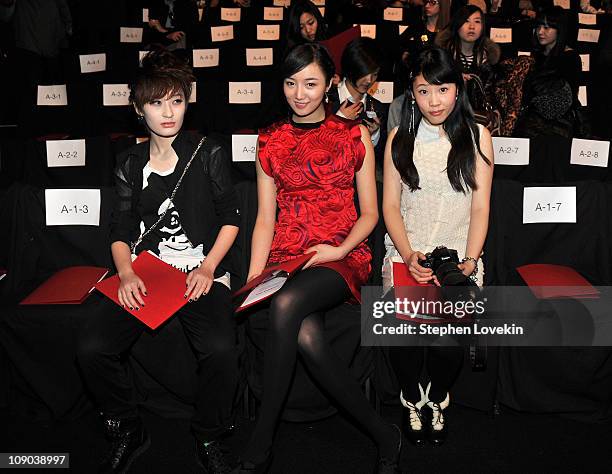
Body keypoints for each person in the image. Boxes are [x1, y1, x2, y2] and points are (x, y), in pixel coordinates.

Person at [235, 43, 402, 473]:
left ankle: (260, 443)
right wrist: (256, 278)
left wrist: (340, 249)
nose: (300, 93)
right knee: (305, 331)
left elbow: (370, 214)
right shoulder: (269, 140)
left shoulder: (353, 133)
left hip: (339, 255)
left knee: (289, 304)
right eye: (291, 83)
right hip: (287, 259)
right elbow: (265, 221)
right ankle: (384, 434)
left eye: (310, 83)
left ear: (330, 84)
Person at [76, 50, 241, 474]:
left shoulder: (209, 153)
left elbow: (230, 218)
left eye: (176, 101)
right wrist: (126, 271)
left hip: (200, 270)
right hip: (147, 270)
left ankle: (208, 432)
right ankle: (129, 426)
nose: (168, 113)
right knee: (92, 347)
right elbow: (120, 228)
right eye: (156, 103)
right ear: (138, 109)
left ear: (188, 101)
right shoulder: (130, 162)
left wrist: (207, 268)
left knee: (221, 349)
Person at [382, 47, 493, 446]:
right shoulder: (398, 137)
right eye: (424, 91)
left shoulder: (478, 135)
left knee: (448, 343)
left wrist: (470, 261)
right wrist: (409, 254)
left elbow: (481, 206)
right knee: (404, 337)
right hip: (408, 251)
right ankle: (411, 395)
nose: (434, 101)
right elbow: (390, 205)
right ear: (412, 93)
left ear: (457, 88)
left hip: (459, 257)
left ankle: (440, 395)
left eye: (442, 89)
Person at [514, 7, 583, 139]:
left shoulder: (570, 58)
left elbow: (568, 97)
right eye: (539, 26)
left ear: (559, 30)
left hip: (558, 128)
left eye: (547, 27)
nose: (540, 32)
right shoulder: (538, 56)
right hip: (532, 125)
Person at [328, 37, 388, 170]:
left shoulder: (378, 108)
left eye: (375, 74)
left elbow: (380, 163)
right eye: (364, 73)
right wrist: (340, 120)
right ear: (350, 68)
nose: (369, 80)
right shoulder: (327, 100)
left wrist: (373, 135)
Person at [435, 5, 501, 119]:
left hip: (479, 116)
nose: (471, 27)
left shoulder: (489, 57)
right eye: (466, 21)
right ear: (457, 24)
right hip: (447, 113)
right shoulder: (442, 54)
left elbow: (492, 94)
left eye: (477, 21)